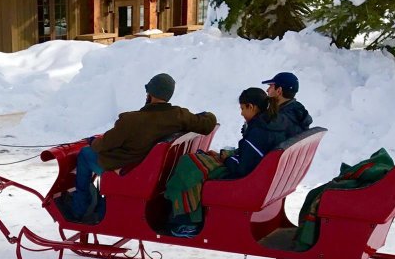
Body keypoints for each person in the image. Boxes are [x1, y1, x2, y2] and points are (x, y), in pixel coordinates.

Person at [69, 73, 217, 221]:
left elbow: (105, 144)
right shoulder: (179, 116)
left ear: (150, 94)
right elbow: (208, 123)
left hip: (132, 172)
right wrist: (206, 114)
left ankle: (80, 208)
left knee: (85, 153)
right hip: (154, 173)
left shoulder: (131, 120)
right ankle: (96, 205)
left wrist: (92, 141)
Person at [163, 87, 286, 237]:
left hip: (246, 180)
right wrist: (227, 155)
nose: (241, 113)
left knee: (189, 166)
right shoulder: (271, 124)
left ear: (251, 107)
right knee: (195, 161)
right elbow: (251, 156)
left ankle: (187, 222)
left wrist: (227, 158)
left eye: (242, 108)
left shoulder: (258, 131)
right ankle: (185, 216)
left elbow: (242, 167)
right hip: (260, 178)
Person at [261, 71, 312, 139]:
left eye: (270, 86)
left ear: (279, 90)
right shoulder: (298, 109)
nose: (267, 90)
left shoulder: (281, 119)